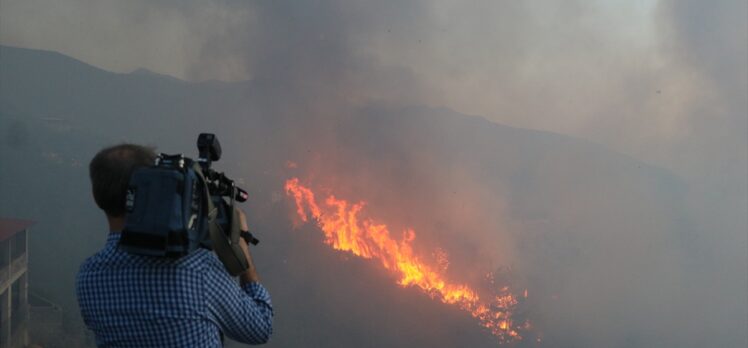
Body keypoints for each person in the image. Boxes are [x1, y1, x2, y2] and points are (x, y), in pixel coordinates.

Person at [76, 144, 273, 347]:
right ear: (150, 189)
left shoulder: (89, 277)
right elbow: (260, 327)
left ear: (97, 196)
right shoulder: (197, 270)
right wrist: (240, 242)